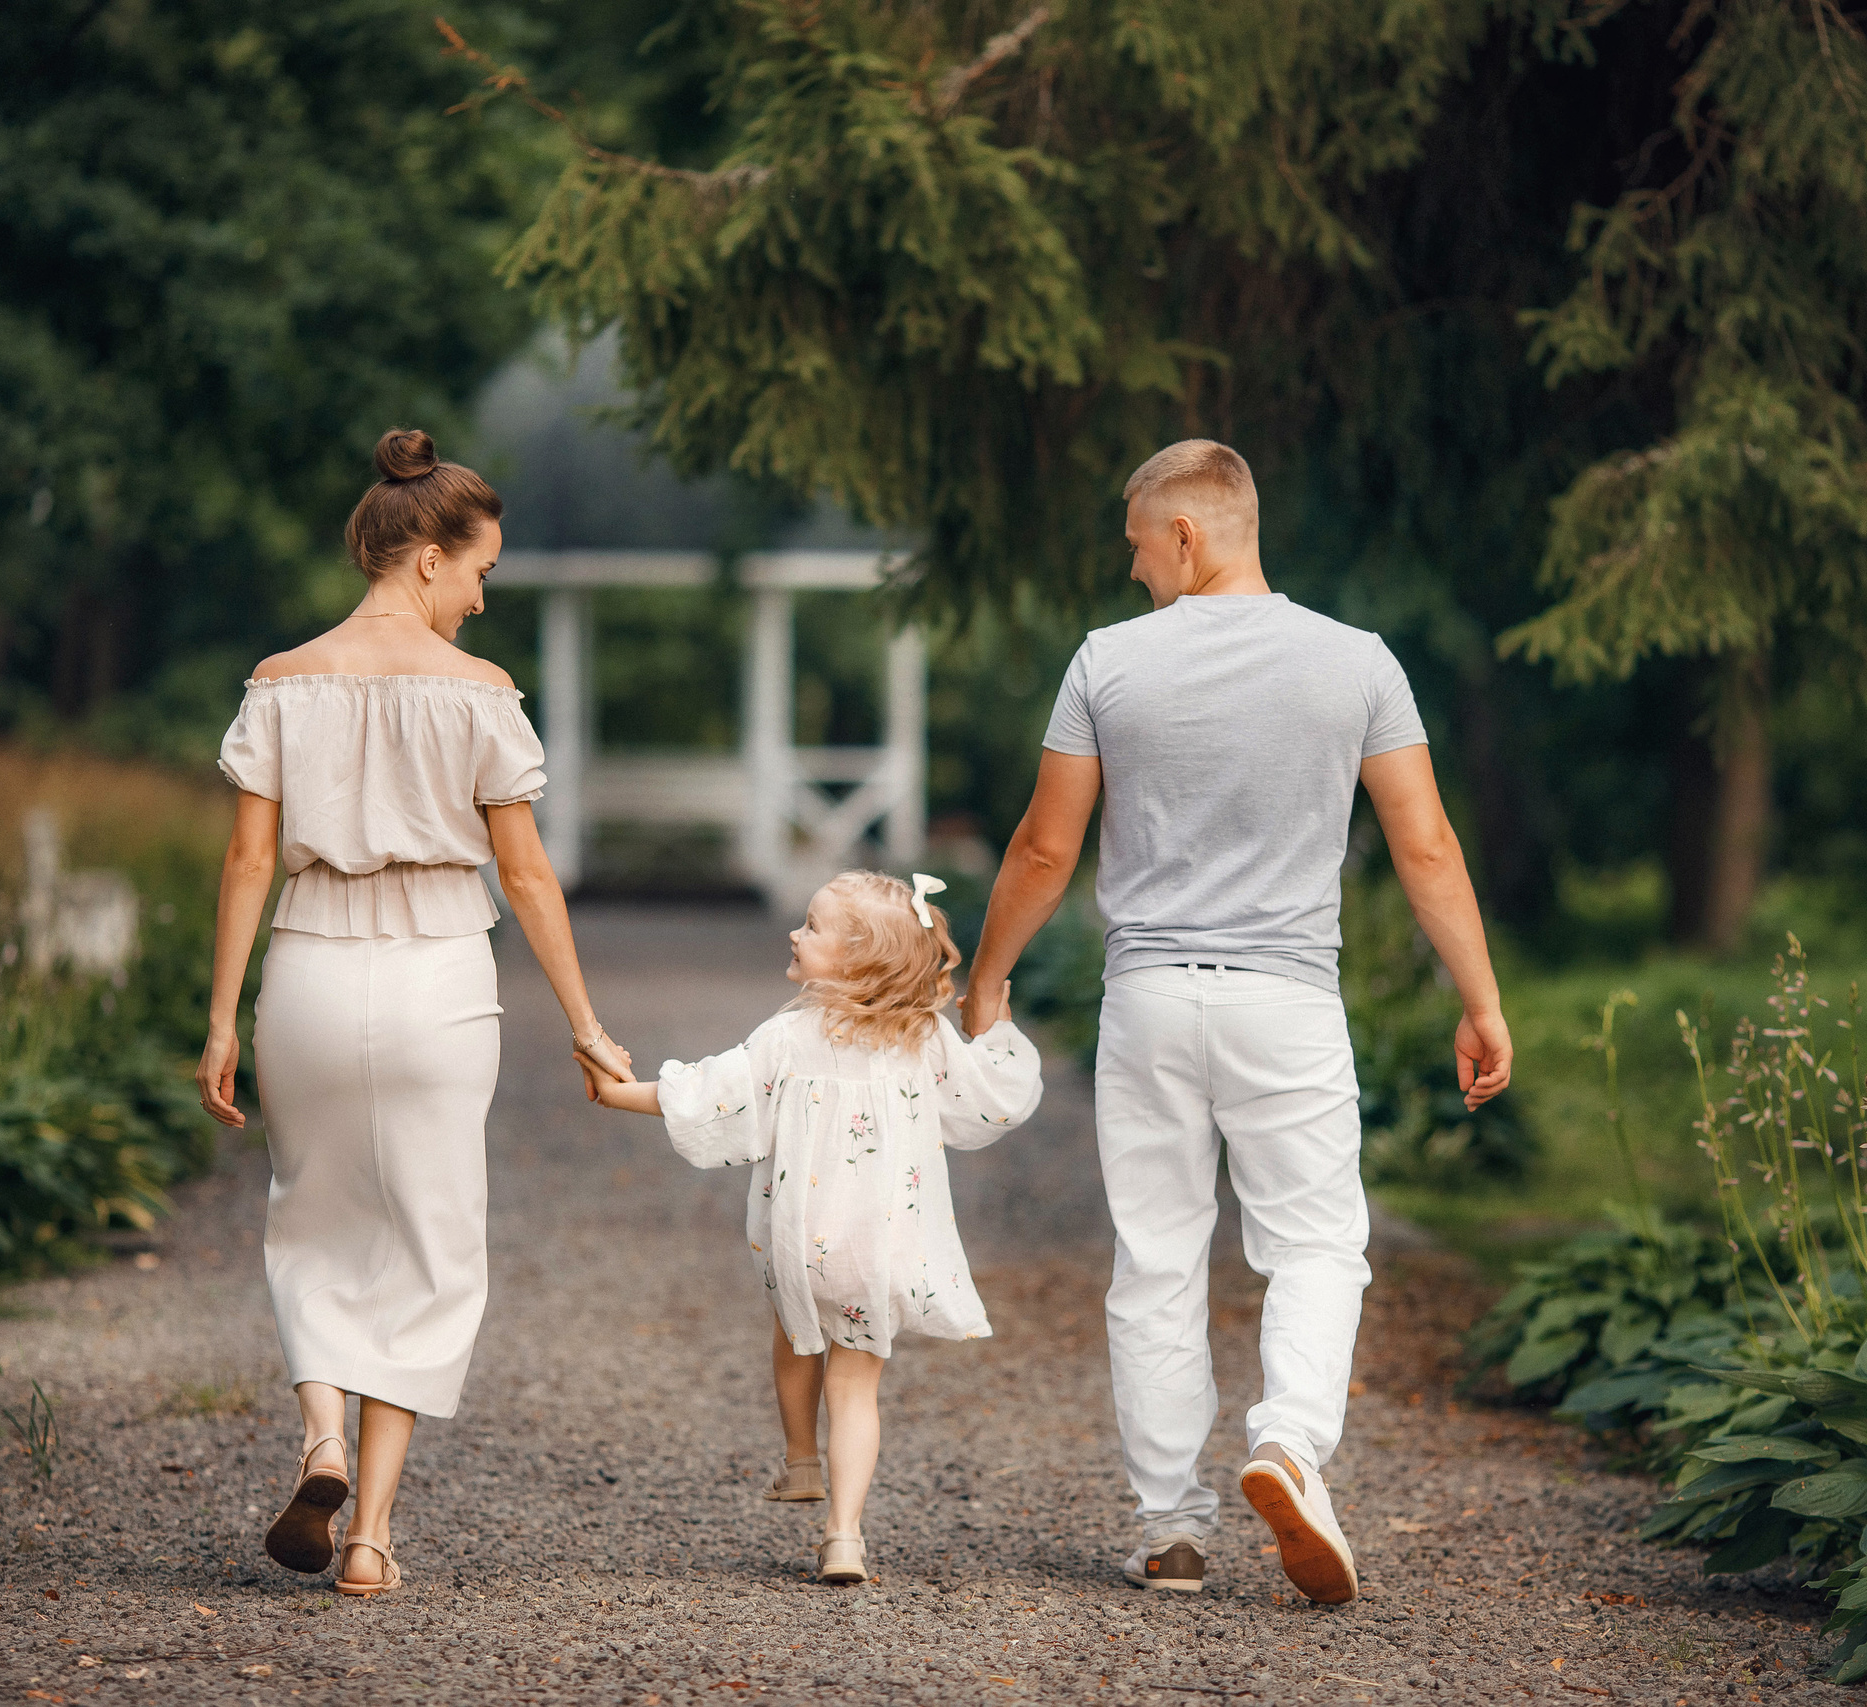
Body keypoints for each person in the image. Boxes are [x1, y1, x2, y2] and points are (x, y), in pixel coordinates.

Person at [961, 439, 1514, 1606]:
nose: (1130, 575)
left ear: (1186, 536)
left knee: (1157, 1257)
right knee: (1315, 1244)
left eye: (1135, 549)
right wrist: (1480, 999)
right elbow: (1423, 844)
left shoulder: (1107, 663)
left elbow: (1044, 846)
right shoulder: (1356, 662)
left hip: (1151, 1000)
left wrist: (988, 977)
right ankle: (1289, 1446)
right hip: (1287, 1003)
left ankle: (1170, 1531)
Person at [197, 428, 634, 1597]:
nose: (483, 601)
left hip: (308, 967)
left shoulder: (281, 681)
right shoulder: (481, 697)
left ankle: (320, 1440)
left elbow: (247, 862)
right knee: (433, 1247)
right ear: (431, 557)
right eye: (483, 571)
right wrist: (585, 1022)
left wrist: (223, 1018)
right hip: (440, 967)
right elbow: (527, 877)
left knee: (311, 1220)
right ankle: (374, 1539)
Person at [573, 871, 1042, 1585]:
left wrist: (619, 1094)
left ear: (856, 957)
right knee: (856, 1386)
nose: (796, 931)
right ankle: (845, 1537)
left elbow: (711, 1092)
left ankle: (799, 1460)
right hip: (881, 1248)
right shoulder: (925, 1039)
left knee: (797, 1332)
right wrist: (999, 1027)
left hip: (802, 1245)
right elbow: (992, 1098)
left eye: (814, 925)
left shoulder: (788, 1036)